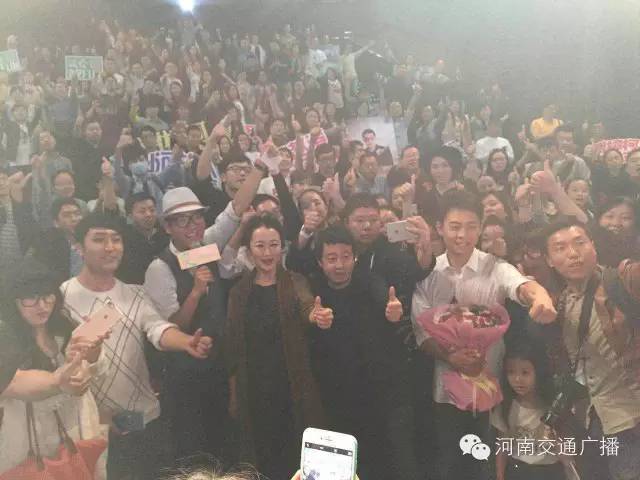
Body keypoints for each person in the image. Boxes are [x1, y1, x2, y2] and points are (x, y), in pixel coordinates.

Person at [411, 191, 556, 480]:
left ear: (479, 228)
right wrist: (451, 356)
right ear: (440, 227)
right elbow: (421, 330)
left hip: (491, 386)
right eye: (455, 227)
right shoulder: (428, 272)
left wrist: (539, 295)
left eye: (470, 226)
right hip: (445, 389)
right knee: (449, 462)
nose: (462, 235)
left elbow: (520, 285)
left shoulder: (495, 266)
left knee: (487, 463)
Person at [61, 212, 213, 480]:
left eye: (116, 239)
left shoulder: (134, 293)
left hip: (141, 417)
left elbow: (157, 328)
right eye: (99, 239)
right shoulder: (62, 298)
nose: (110, 247)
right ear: (79, 247)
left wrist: (186, 342)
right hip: (92, 425)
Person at [143, 179, 261, 463]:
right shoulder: (159, 267)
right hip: (184, 375)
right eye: (182, 220)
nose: (193, 225)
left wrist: (260, 169)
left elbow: (234, 211)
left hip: (218, 365)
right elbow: (172, 327)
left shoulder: (204, 247)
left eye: (197, 217)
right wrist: (195, 292)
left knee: (225, 440)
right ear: (167, 226)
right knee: (193, 448)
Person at [307, 226, 416, 480]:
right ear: (320, 262)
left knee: (379, 456)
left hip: (374, 390)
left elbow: (387, 303)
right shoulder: (314, 288)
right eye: (331, 258)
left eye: (346, 256)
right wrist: (315, 319)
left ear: (355, 257)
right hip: (334, 393)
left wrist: (393, 313)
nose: (339, 265)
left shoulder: (370, 281)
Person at [225, 215, 324, 479]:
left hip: (292, 385)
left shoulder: (296, 281)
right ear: (249, 250)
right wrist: (234, 393)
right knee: (259, 454)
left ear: (282, 247)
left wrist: (315, 316)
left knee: (294, 453)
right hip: (253, 388)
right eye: (260, 246)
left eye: (273, 245)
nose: (267, 253)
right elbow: (232, 348)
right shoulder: (238, 292)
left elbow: (307, 306)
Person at [542, 219, 640, 480]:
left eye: (580, 243)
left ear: (593, 245)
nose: (573, 253)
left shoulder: (621, 281)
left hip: (632, 417)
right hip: (592, 417)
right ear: (549, 260)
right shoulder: (561, 302)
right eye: (560, 248)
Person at [0, 256, 108, 478]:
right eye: (31, 298)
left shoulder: (64, 327)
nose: (42, 305)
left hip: (74, 432)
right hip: (29, 443)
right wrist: (61, 381)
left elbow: (95, 370)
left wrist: (91, 355)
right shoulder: (7, 340)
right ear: (13, 300)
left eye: (48, 296)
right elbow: (13, 384)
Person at [491, 339, 568, 480]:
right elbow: (502, 445)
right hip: (519, 470)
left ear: (538, 372)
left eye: (525, 373)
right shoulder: (506, 406)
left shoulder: (552, 406)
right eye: (511, 372)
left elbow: (564, 450)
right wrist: (500, 475)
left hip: (549, 471)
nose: (517, 379)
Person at [116, 192, 169, 284]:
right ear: (130, 216)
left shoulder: (167, 234)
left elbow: (186, 261)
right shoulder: (123, 240)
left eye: (152, 210)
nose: (149, 214)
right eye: (142, 211)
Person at [591, 196, 640, 268]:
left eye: (625, 217)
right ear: (599, 219)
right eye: (610, 216)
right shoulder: (588, 245)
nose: (616, 223)